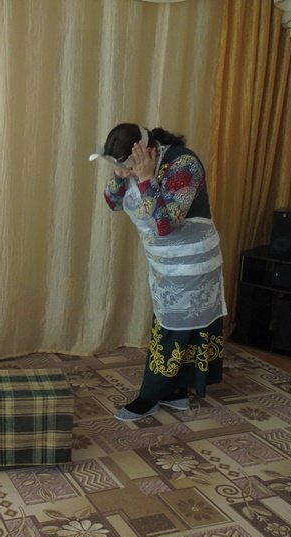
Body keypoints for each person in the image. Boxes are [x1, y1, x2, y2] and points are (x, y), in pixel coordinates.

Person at [89, 123, 227, 422]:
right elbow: (113, 202)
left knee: (173, 330)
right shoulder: (136, 165)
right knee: (170, 323)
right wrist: (120, 175)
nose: (127, 169)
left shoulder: (184, 165)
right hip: (165, 262)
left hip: (193, 263)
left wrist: (146, 178)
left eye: (128, 163)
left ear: (147, 151)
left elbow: (165, 225)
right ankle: (175, 392)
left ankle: (149, 396)